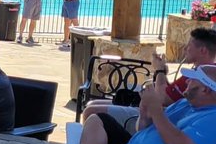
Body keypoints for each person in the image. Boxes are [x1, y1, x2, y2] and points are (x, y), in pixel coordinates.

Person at [78, 64, 216, 144]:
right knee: (97, 120)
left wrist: (156, 111)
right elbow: (144, 129)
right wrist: (145, 114)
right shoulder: (185, 103)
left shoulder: (212, 118)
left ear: (206, 90)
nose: (187, 82)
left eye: (193, 80)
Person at [82, 29, 216, 132]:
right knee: (92, 103)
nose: (185, 49)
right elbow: (170, 94)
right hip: (158, 112)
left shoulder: (200, 77)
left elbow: (161, 99)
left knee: (90, 111)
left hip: (158, 117)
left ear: (203, 50)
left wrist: (159, 71)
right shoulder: (199, 72)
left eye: (189, 45)